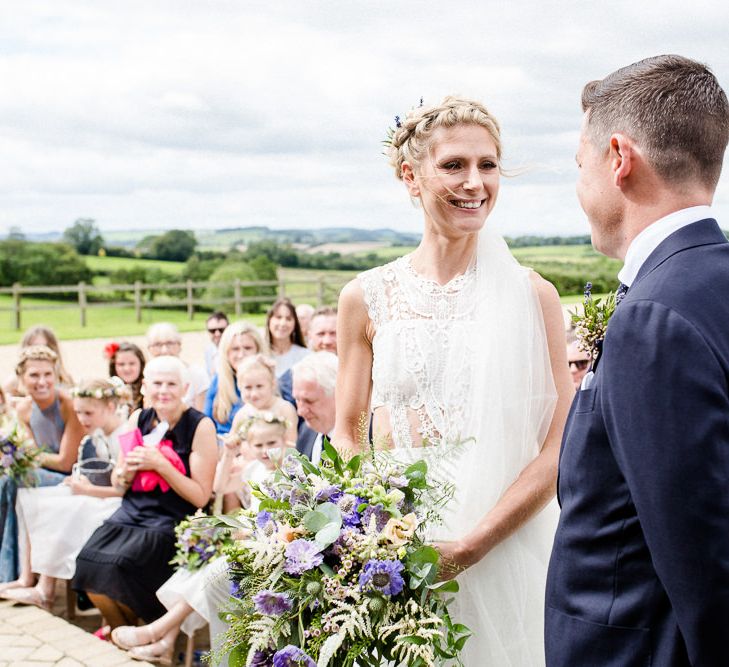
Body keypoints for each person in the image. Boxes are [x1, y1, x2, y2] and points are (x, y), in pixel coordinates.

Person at [335, 96, 573, 666]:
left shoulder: (532, 296)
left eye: (488, 165)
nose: (475, 182)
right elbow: (346, 432)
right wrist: (373, 523)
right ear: (409, 176)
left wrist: (475, 543)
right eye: (454, 165)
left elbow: (560, 445)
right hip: (397, 546)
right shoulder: (364, 298)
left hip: (505, 544)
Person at [545, 55, 729, 667]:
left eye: (580, 164)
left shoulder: (656, 318)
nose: (579, 185)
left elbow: (702, 555)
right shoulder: (709, 282)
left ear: (619, 159)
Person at [109, 413, 286, 665]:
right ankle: (164, 642)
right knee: (196, 567)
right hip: (246, 540)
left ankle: (158, 634)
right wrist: (227, 454)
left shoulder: (290, 470)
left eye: (272, 444)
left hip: (266, 546)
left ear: (285, 441)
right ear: (249, 447)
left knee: (209, 575)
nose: (266, 451)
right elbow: (221, 487)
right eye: (258, 445)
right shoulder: (253, 469)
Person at [72, 355, 217, 633]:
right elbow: (119, 480)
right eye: (157, 383)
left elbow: (200, 497)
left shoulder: (200, 426)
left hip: (172, 518)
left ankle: (131, 635)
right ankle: (123, 632)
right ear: (144, 388)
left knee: (120, 565)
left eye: (171, 384)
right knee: (87, 561)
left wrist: (161, 465)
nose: (163, 391)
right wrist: (124, 470)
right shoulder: (139, 417)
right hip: (132, 510)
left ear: (185, 387)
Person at [1, 378, 129, 610]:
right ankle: (28, 577)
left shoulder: (125, 434)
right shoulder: (97, 434)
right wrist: (80, 481)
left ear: (110, 407)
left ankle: (46, 589)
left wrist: (87, 489)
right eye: (79, 413)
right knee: (34, 499)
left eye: (88, 413)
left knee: (66, 509)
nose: (82, 419)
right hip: (96, 493)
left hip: (117, 503)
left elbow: (125, 491)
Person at [0, 345, 85, 584]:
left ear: (56, 375)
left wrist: (24, 455)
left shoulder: (68, 405)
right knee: (8, 480)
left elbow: (66, 461)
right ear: (21, 378)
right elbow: (27, 454)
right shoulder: (24, 409)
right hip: (36, 476)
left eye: (48, 374)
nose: (42, 381)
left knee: (15, 479)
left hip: (71, 480)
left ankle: (11, 574)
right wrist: (22, 456)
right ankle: (12, 572)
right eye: (34, 375)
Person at [203, 321, 263, 435]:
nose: (241, 354)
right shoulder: (218, 381)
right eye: (235, 349)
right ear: (227, 353)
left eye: (248, 348)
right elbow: (206, 424)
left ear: (258, 350)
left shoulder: (269, 381)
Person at [229, 354, 298, 445]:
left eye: (259, 386)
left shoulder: (284, 409)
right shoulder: (242, 414)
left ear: (272, 384)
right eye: (248, 387)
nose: (254, 394)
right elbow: (232, 443)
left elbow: (291, 444)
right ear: (239, 387)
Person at [146, 323, 210, 411]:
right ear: (149, 349)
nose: (164, 350)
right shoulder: (149, 374)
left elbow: (203, 415)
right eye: (158, 345)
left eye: (170, 343)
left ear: (179, 346)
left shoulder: (197, 374)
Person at [2, 325, 74, 398]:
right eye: (33, 348)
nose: (38, 353)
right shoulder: (13, 384)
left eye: (48, 374)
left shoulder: (65, 380)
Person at [292, 351, 337, 464]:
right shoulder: (306, 431)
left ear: (337, 394)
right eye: (297, 400)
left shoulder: (367, 435)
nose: (300, 411)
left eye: (309, 401)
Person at [265, 298, 309, 377]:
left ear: (295, 324)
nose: (283, 323)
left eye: (288, 319)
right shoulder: (260, 353)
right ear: (269, 320)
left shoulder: (305, 356)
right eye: (278, 317)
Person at [107, 341, 146, 412]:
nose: (127, 368)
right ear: (113, 366)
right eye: (121, 364)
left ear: (141, 364)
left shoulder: (148, 389)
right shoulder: (108, 390)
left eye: (132, 363)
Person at [203, 312, 229, 380]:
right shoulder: (208, 351)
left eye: (221, 330)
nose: (217, 334)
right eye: (212, 331)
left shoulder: (237, 350)